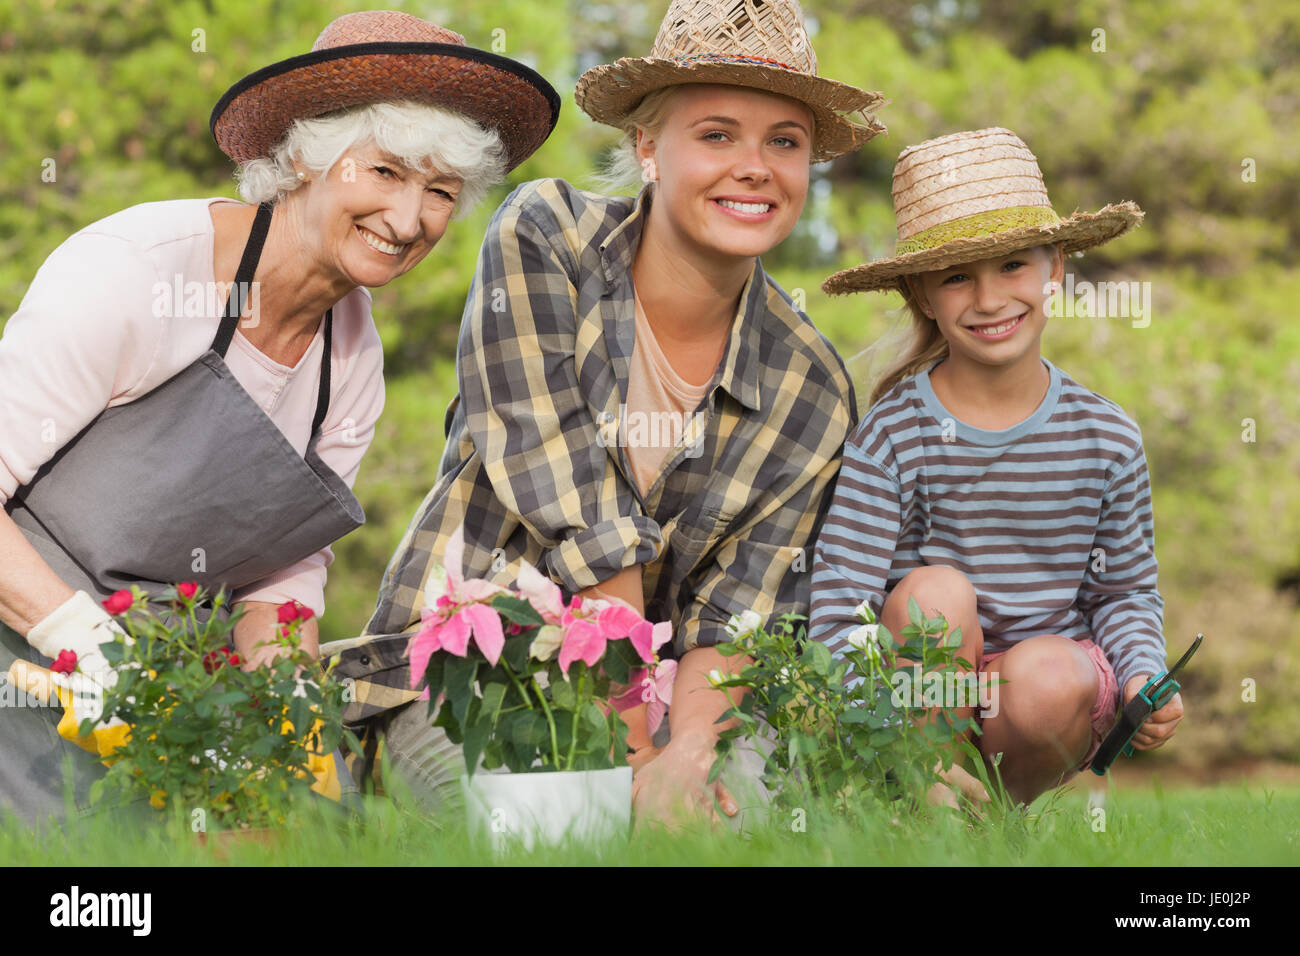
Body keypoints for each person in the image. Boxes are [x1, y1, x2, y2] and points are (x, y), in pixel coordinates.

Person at [331, 0, 885, 826]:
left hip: (676, 701)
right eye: (717, 134)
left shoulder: (811, 386)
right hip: (482, 662)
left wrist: (687, 758)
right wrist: (634, 760)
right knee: (538, 823)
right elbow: (573, 505)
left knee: (747, 817)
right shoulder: (547, 238)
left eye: (785, 142)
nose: (756, 166)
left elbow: (735, 621)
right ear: (646, 147)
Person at [0, 10, 559, 824]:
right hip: (26, 657)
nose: (407, 220)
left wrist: (286, 723)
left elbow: (279, 580)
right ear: (304, 156)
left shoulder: (353, 358)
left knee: (310, 826)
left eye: (439, 192)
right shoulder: (136, 273)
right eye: (384, 173)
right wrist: (89, 645)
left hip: (162, 689)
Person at [810, 127, 1182, 807]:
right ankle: (931, 791)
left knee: (1046, 673)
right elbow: (842, 604)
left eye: (1013, 266)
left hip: (1044, 693)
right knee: (934, 595)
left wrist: (1141, 676)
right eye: (957, 277)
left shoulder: (1106, 435)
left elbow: (1123, 593)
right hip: (924, 696)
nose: (988, 299)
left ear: (1056, 269)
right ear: (924, 296)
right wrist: (881, 727)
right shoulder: (894, 432)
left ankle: (1000, 814)